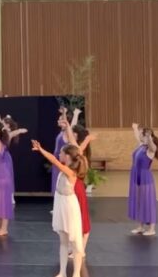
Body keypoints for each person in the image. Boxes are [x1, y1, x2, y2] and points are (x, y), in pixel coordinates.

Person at [32, 140, 85, 277]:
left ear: (67, 156)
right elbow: (56, 160)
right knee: (63, 241)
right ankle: (62, 272)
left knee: (74, 242)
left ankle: (76, 273)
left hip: (69, 207)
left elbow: (54, 160)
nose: (59, 154)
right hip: (61, 204)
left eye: (61, 152)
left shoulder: (70, 172)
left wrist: (41, 149)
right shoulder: (65, 169)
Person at [63, 109, 96, 254]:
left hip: (77, 190)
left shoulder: (79, 156)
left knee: (82, 221)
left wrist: (87, 139)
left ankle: (81, 249)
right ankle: (75, 247)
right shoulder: (75, 153)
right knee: (73, 220)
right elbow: (71, 139)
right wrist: (67, 124)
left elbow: (74, 144)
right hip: (71, 190)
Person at [129, 123, 158, 236]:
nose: (140, 136)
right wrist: (135, 129)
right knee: (140, 202)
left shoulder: (151, 149)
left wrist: (149, 137)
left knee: (148, 202)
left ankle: (152, 229)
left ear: (146, 136)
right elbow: (138, 137)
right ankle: (140, 226)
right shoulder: (141, 146)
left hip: (146, 178)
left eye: (143, 134)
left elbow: (152, 146)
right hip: (137, 176)